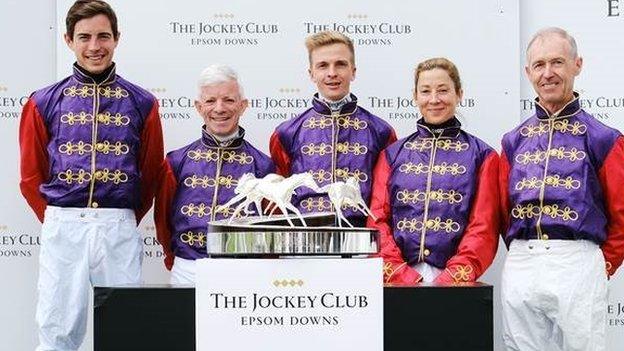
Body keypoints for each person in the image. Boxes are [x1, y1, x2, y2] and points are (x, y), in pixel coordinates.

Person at [18, 1, 164, 350]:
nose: (94, 46)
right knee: (57, 327)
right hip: (63, 225)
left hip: (118, 225)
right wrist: (59, 216)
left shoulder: (142, 102)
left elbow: (150, 172)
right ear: (69, 40)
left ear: (117, 39)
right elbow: (30, 175)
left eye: (103, 36)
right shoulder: (43, 101)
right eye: (84, 37)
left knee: (125, 325)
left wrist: (121, 215)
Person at [500, 27, 624, 351]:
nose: (548, 73)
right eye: (539, 65)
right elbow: (502, 211)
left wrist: (598, 264)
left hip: (577, 260)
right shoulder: (513, 141)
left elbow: (621, 216)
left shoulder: (604, 138)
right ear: (528, 72)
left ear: (577, 65)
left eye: (557, 62)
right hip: (522, 262)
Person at [367, 57, 499, 284]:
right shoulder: (392, 154)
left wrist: (450, 277)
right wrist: (400, 273)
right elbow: (377, 219)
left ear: (459, 94)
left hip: (454, 282)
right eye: (426, 91)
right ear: (415, 96)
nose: (434, 99)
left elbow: (483, 226)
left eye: (443, 90)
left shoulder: (483, 155)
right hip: (398, 280)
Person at [154, 65, 274, 285]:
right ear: (199, 107)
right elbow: (163, 219)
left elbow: (273, 226)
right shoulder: (177, 161)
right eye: (210, 101)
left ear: (243, 106)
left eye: (228, 100)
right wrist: (175, 256)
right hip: (189, 269)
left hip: (244, 271)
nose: (219, 108)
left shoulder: (263, 166)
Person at [270, 30, 396, 227]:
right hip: (302, 242)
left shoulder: (381, 132)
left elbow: (385, 198)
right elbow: (280, 194)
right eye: (322, 66)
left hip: (361, 242)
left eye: (340, 64)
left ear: (353, 71)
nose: (332, 73)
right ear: (311, 73)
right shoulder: (287, 132)